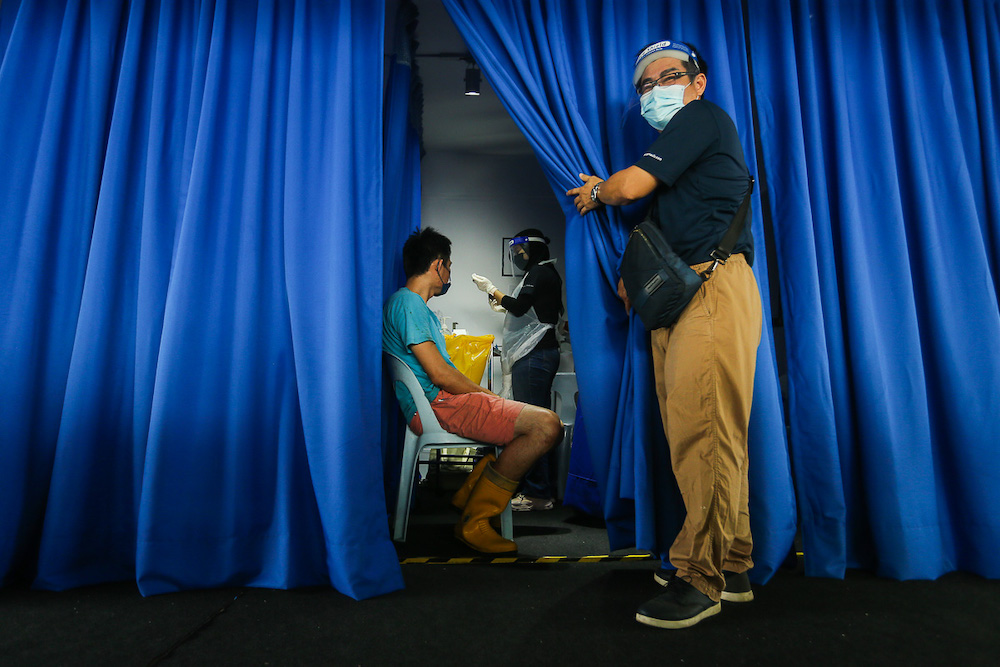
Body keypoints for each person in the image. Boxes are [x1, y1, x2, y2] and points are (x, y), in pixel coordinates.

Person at [566, 40, 762, 629]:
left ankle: (699, 579)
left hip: (711, 292)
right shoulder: (682, 156)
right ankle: (732, 566)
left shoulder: (701, 118)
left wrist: (599, 190)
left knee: (703, 433)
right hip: (682, 298)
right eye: (645, 86)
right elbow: (659, 221)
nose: (655, 90)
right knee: (706, 432)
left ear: (697, 83)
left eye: (668, 77)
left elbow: (629, 189)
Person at [383, 228, 563, 554]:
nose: (449, 274)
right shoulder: (410, 304)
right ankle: (474, 520)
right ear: (438, 265)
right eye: (449, 266)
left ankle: (469, 494)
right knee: (547, 425)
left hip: (437, 403)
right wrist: (487, 395)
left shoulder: (406, 304)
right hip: (438, 406)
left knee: (535, 423)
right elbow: (440, 374)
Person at [470, 229, 565, 511]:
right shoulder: (543, 274)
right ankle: (533, 489)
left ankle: (538, 494)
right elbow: (538, 309)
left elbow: (521, 306)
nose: (517, 257)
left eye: (520, 252)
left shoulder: (539, 273)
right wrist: (503, 306)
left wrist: (492, 290)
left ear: (533, 251)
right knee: (534, 424)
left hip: (536, 354)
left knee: (536, 427)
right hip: (535, 353)